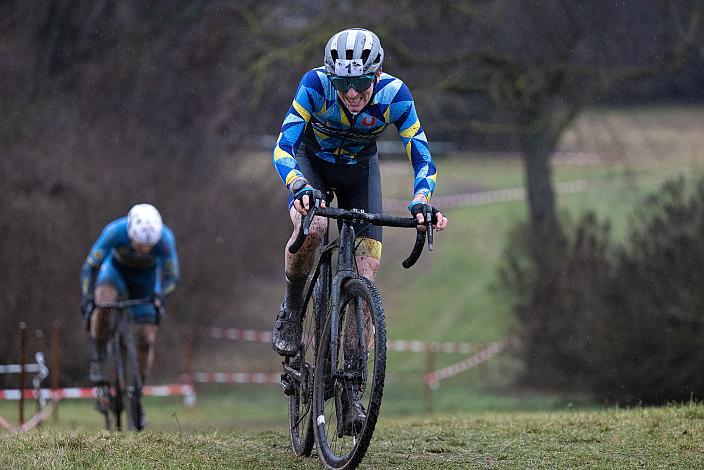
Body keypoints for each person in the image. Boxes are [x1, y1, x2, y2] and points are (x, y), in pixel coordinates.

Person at [271, 28, 448, 432]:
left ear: (378, 73)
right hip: (311, 165)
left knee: (366, 268)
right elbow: (283, 146)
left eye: (361, 83)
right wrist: (298, 185)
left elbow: (422, 157)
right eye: (344, 84)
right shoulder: (315, 85)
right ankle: (294, 308)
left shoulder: (395, 95)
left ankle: (351, 391)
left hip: (359, 173)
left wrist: (421, 200)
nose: (352, 94)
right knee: (313, 227)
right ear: (332, 77)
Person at [80, 203, 180, 411]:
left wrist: (161, 296)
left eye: (149, 247)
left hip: (146, 282)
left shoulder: (165, 240)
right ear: (130, 234)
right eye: (139, 245)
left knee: (146, 339)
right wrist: (87, 297)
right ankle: (99, 356)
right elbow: (90, 267)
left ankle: (137, 391)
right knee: (104, 303)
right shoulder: (114, 231)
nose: (144, 250)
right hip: (114, 274)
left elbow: (172, 277)